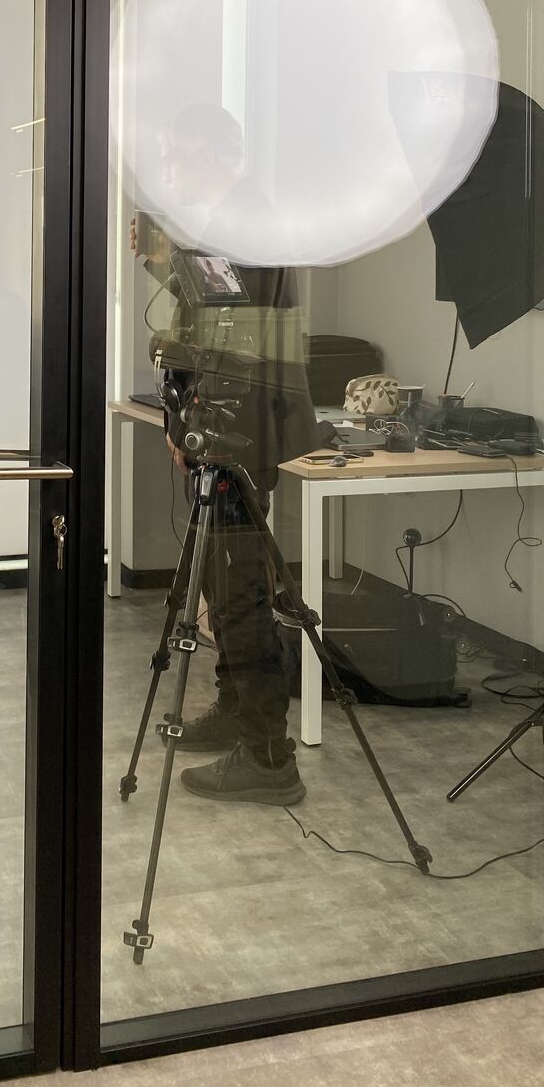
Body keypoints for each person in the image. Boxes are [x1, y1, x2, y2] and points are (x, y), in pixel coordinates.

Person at [132, 104, 322, 806]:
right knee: (220, 579)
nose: (173, 169)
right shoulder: (230, 218)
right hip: (225, 429)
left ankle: (271, 755)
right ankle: (237, 710)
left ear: (215, 151)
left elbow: (233, 334)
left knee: (239, 591)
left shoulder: (242, 216)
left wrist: (200, 428)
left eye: (180, 153)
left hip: (238, 435)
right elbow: (213, 307)